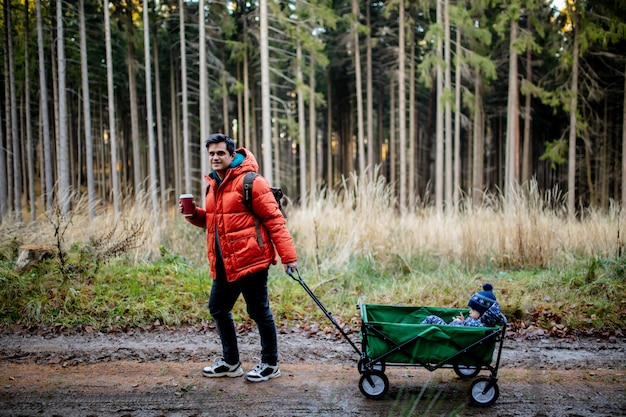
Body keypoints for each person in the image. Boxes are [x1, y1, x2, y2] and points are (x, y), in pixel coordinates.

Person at [180, 133, 298, 383]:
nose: (215, 157)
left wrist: (289, 258)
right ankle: (231, 362)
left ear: (232, 155)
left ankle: (270, 364)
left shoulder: (252, 182)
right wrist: (194, 216)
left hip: (251, 260)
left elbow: (275, 221)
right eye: (211, 153)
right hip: (225, 262)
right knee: (218, 308)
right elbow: (215, 223)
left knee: (259, 311)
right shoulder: (213, 184)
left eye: (220, 152)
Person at [421, 284, 501, 327]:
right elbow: (467, 325)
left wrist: (458, 322)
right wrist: (463, 321)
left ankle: (416, 333)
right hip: (452, 333)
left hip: (449, 333)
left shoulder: (477, 325)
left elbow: (464, 328)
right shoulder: (481, 323)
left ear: (483, 313)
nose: (470, 312)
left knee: (431, 318)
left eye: (473, 310)